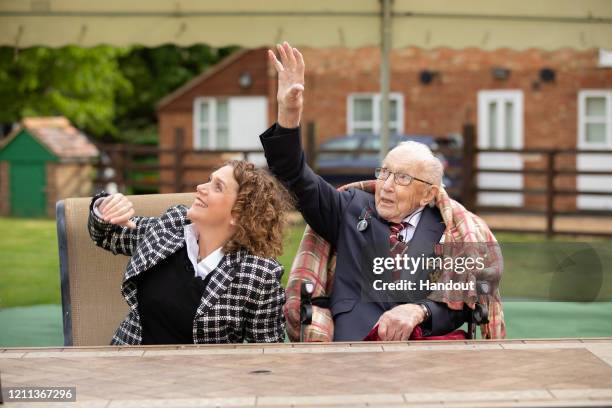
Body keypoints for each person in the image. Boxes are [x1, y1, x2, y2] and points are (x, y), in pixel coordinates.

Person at [260, 42, 504, 342]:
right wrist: (289, 111)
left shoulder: (449, 230)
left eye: (401, 178)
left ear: (428, 193)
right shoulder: (349, 208)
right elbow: (294, 175)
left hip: (423, 354)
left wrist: (420, 310)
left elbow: (464, 307)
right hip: (353, 349)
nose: (386, 186)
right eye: (385, 172)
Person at [87, 160, 292, 345]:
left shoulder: (259, 274)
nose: (200, 188)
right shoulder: (172, 225)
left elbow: (267, 352)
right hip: (130, 366)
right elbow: (107, 235)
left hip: (205, 381)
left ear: (238, 214)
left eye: (217, 187)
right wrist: (104, 208)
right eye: (209, 180)